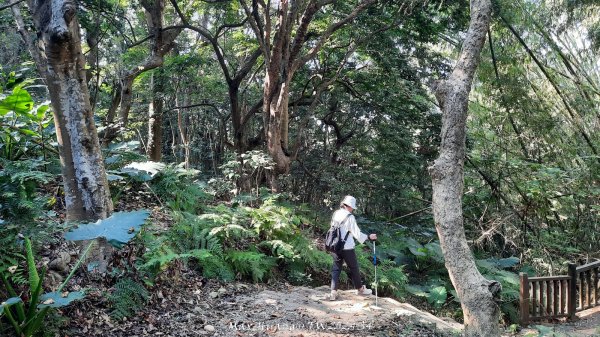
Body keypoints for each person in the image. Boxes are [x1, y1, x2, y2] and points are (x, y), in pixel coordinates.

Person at [329, 195, 377, 301]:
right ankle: (360, 289)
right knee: (354, 268)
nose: (353, 209)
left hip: (336, 245)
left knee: (336, 268)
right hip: (347, 247)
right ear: (349, 206)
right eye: (352, 207)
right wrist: (369, 237)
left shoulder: (336, 213)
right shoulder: (349, 217)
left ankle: (333, 292)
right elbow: (357, 233)